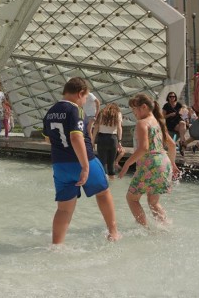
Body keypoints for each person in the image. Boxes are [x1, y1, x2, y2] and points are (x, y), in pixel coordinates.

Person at [42, 77, 120, 244]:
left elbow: (48, 140)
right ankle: (113, 232)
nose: (85, 101)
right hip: (83, 161)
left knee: (63, 209)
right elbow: (76, 137)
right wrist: (85, 167)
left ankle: (57, 245)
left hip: (60, 165)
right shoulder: (76, 110)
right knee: (103, 193)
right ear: (80, 93)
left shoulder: (50, 112)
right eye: (85, 97)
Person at [119, 93, 180, 228]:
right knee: (153, 202)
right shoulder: (158, 123)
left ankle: (144, 229)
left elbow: (144, 148)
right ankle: (166, 227)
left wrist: (127, 164)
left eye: (134, 109)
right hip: (164, 163)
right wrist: (173, 164)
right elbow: (172, 145)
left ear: (144, 107)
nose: (133, 113)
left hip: (150, 164)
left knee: (132, 198)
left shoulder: (142, 123)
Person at [92, 103, 123, 179]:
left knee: (102, 162)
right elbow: (119, 128)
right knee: (111, 163)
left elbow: (96, 128)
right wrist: (119, 141)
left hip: (102, 138)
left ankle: (103, 182)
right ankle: (112, 181)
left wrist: (92, 141)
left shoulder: (102, 113)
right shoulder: (118, 114)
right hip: (113, 138)